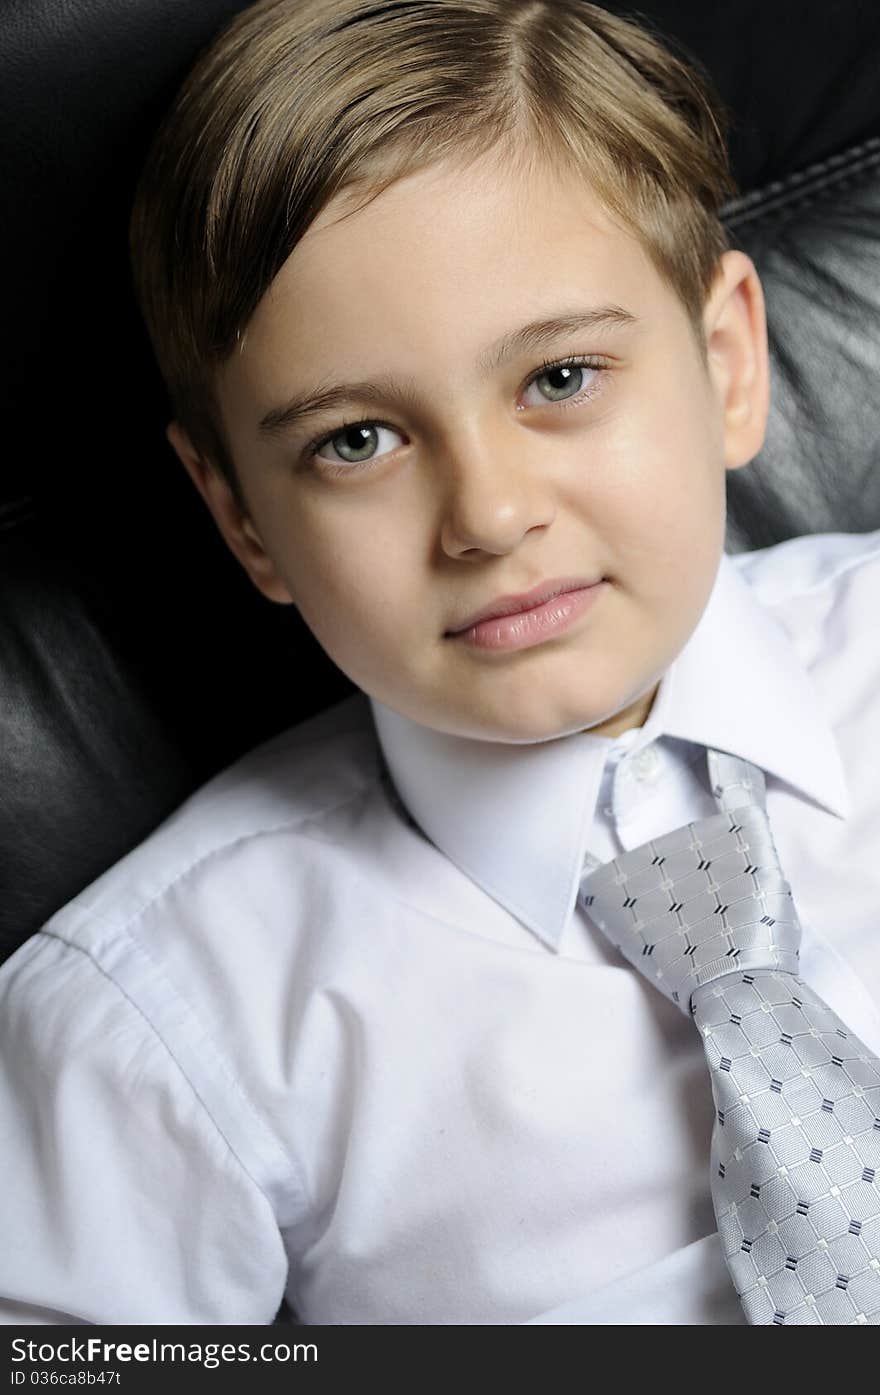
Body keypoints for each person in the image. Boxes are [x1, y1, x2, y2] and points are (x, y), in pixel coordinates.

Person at [1, 0, 879, 1326]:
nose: (486, 515)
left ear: (727, 359)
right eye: (356, 442)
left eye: (562, 377)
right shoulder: (156, 1034)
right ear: (243, 516)